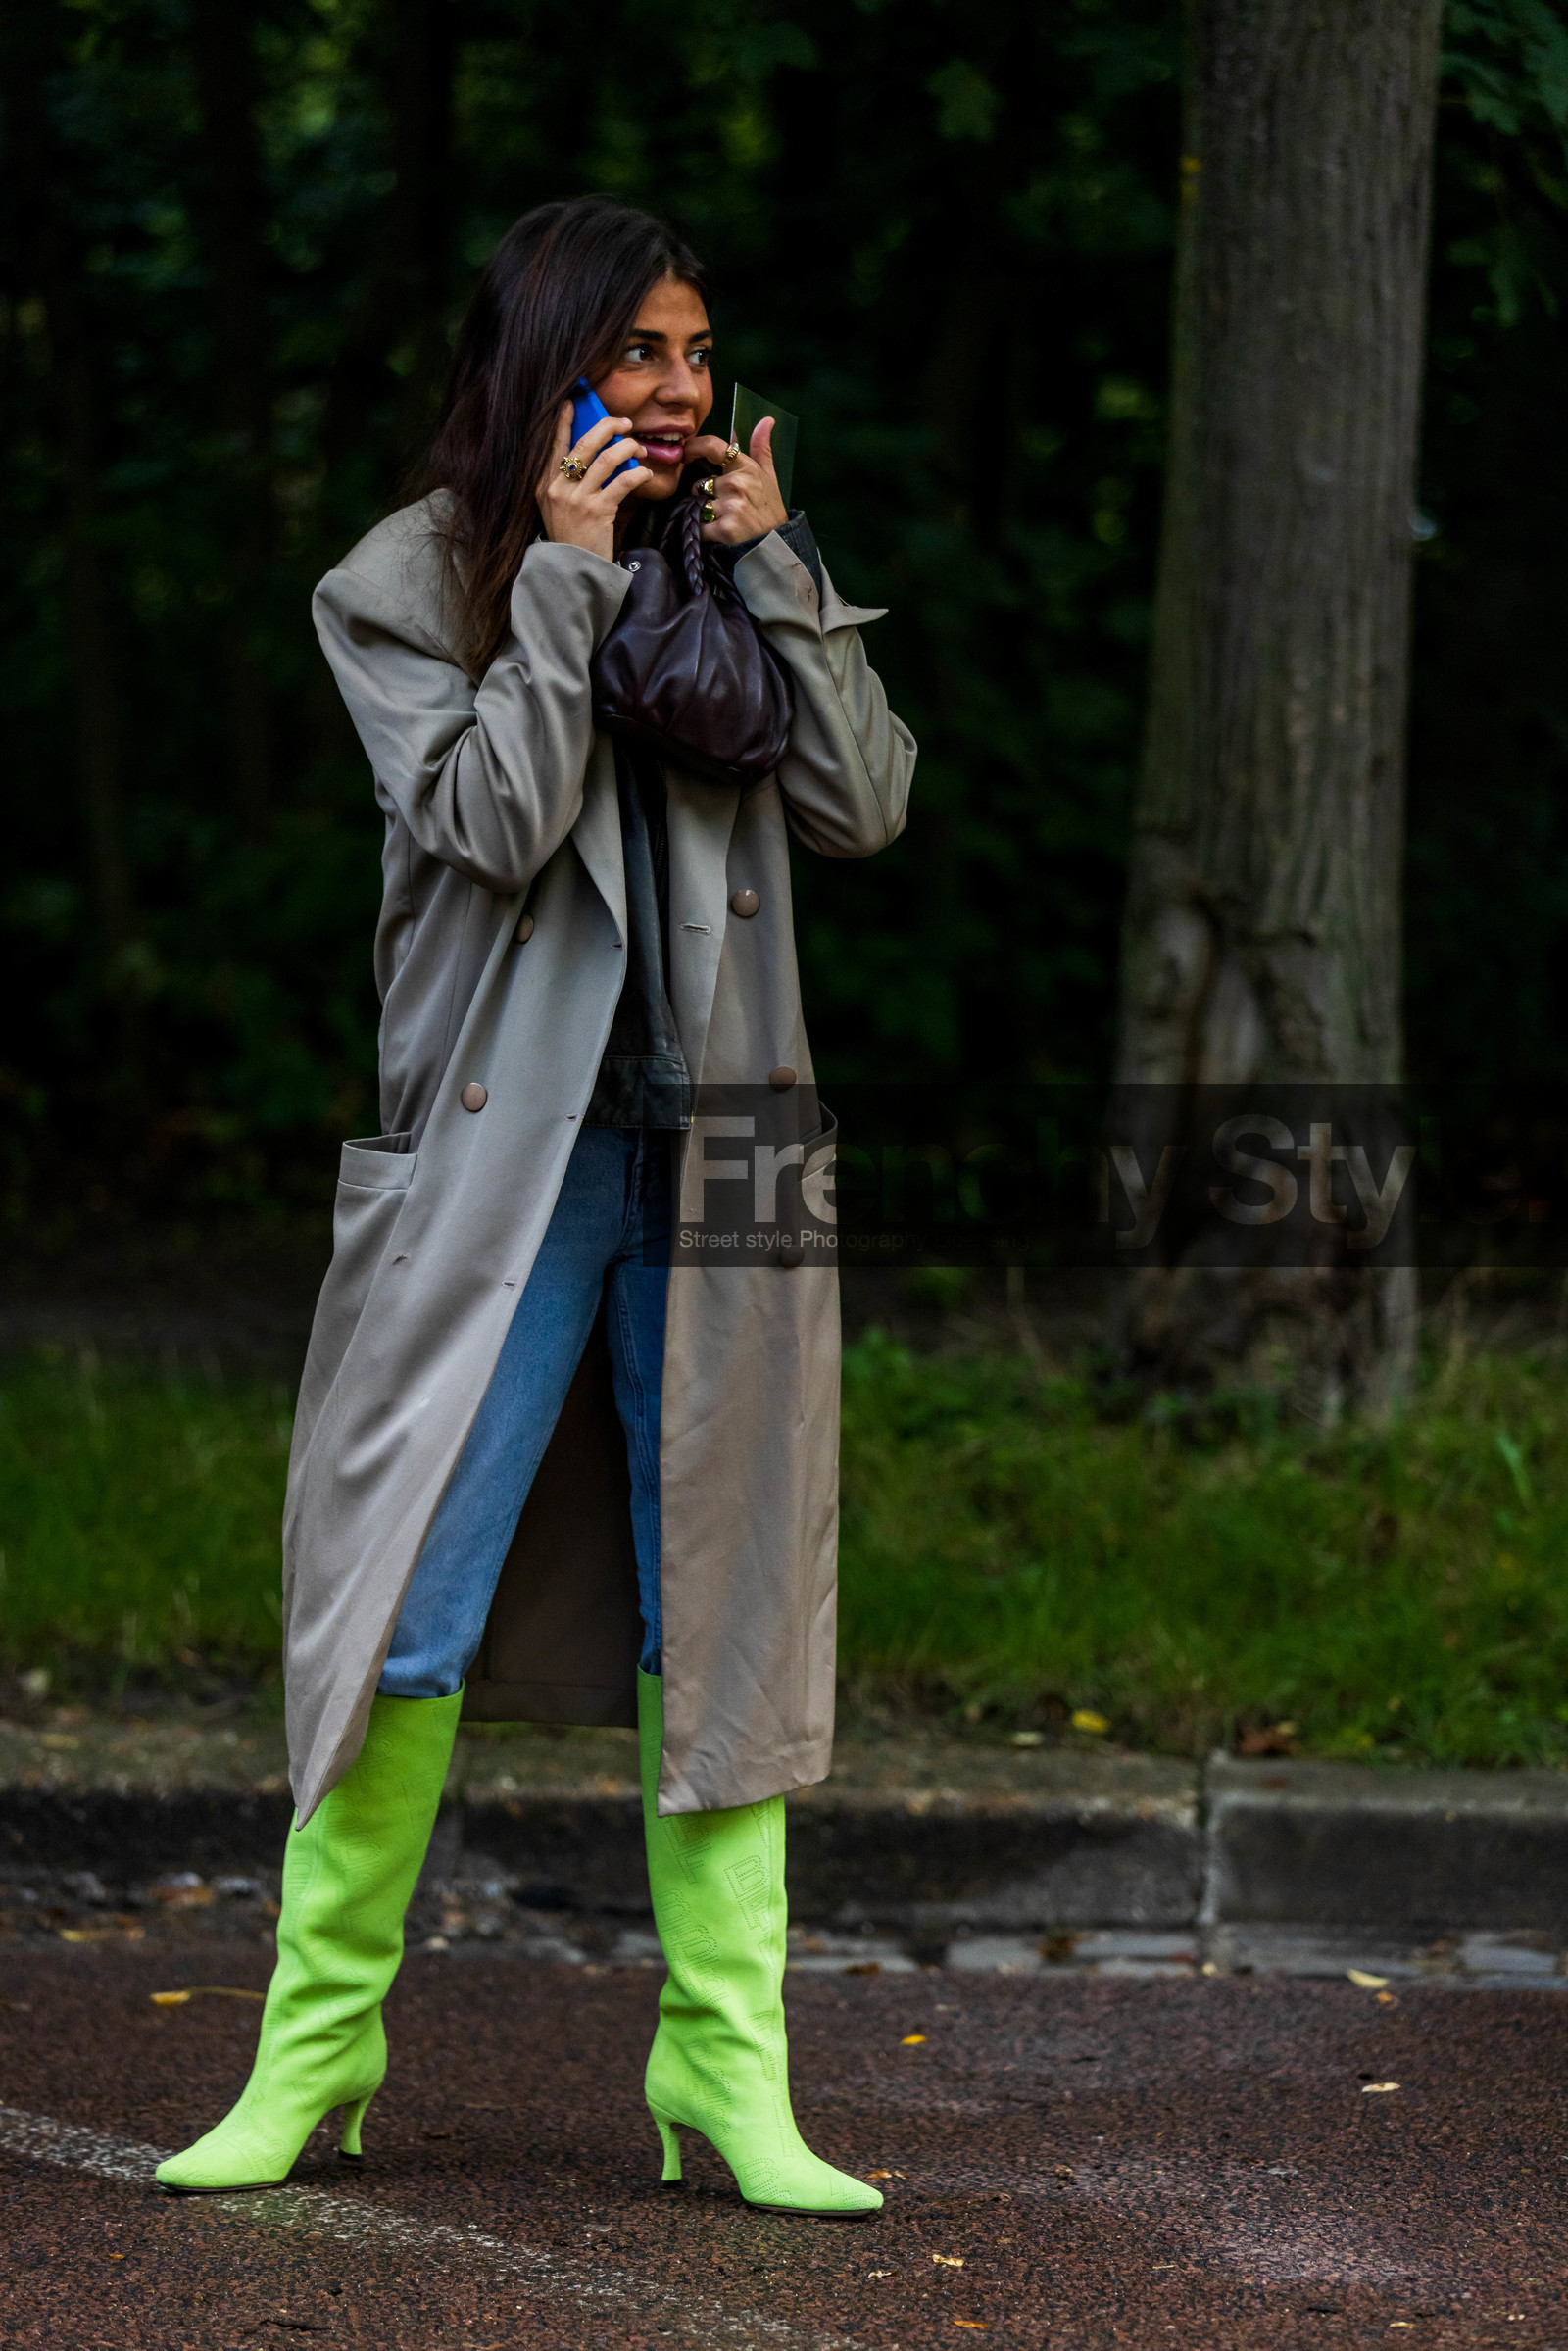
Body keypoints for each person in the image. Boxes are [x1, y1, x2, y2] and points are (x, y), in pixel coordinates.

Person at [156, 195, 915, 2217]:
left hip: (723, 1148)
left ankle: (725, 2075)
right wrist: (573, 592)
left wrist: (783, 569)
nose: (676, 393)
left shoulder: (729, 569)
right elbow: (490, 825)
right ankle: (314, 2053)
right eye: (638, 353)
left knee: (726, 1610)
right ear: (546, 364)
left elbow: (863, 804)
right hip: (500, 1161)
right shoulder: (403, 583)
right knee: (406, 1587)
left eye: (694, 354)